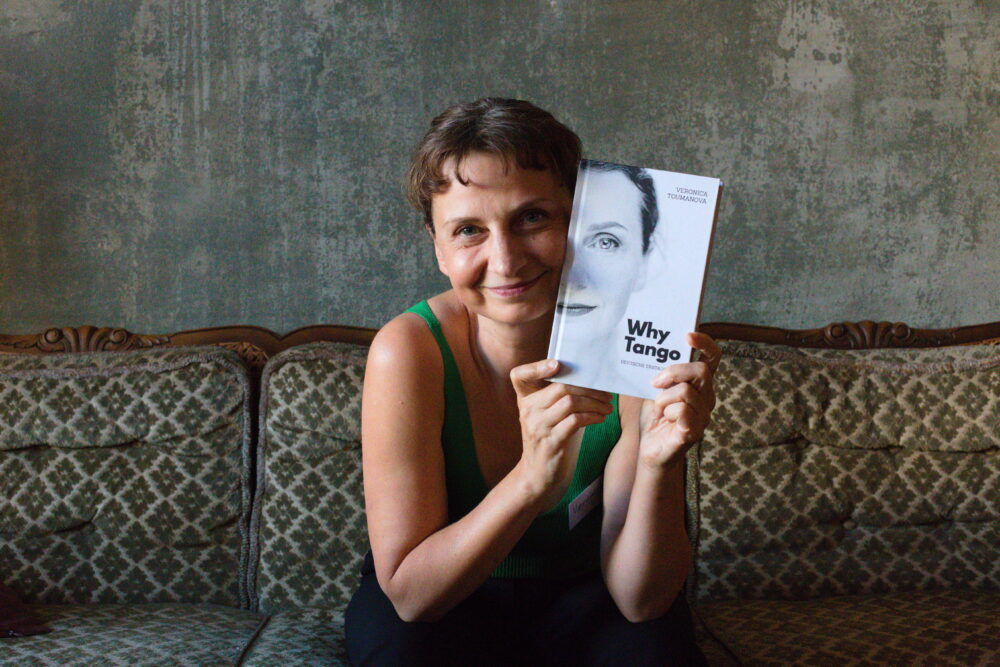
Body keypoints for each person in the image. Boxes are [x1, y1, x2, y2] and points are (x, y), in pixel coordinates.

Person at [344, 97, 719, 666]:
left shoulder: (637, 347)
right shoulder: (410, 349)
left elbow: (641, 601)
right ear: (438, 247)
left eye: (532, 218)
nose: (506, 260)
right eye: (469, 230)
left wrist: (658, 462)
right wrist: (532, 479)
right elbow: (414, 598)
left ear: (578, 219)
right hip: (448, 591)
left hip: (587, 592)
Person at [554, 159, 660, 395]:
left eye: (606, 242)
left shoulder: (655, 401)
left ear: (645, 261)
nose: (572, 280)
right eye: (557, 236)